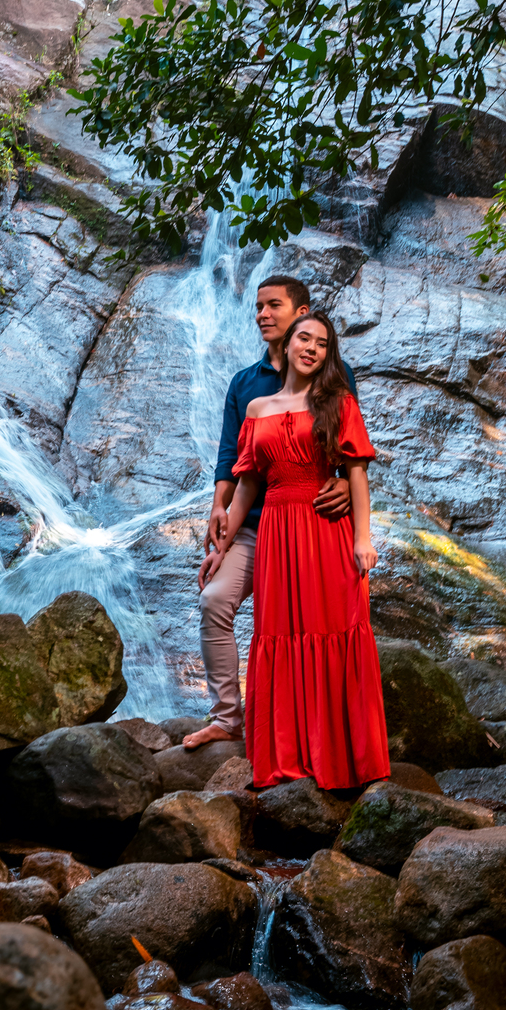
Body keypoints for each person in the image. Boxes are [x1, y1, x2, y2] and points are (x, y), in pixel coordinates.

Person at [196, 310, 389, 790]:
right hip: (277, 532)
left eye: (322, 344)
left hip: (324, 529)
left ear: (327, 355)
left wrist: (363, 539)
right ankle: (289, 755)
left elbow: (357, 474)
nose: (312, 349)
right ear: (289, 342)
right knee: (280, 633)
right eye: (306, 339)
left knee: (331, 629)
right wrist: (220, 547)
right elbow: (247, 486)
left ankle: (341, 759)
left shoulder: (337, 402)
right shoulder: (257, 408)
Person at [183, 275, 357, 752]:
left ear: (301, 314)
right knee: (215, 600)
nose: (261, 314)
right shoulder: (245, 384)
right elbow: (231, 459)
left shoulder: (333, 377)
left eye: (272, 305)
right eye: (258, 306)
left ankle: (317, 730)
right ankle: (227, 719)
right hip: (257, 527)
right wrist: (219, 516)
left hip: (311, 527)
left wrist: (341, 484)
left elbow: (350, 449)